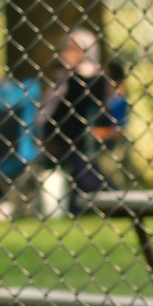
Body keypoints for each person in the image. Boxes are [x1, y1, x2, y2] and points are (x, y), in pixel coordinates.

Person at [39, 28, 113, 202]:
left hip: (77, 135)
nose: (65, 54)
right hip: (57, 135)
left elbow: (78, 105)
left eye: (72, 49)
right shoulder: (62, 78)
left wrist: (73, 72)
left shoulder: (91, 80)